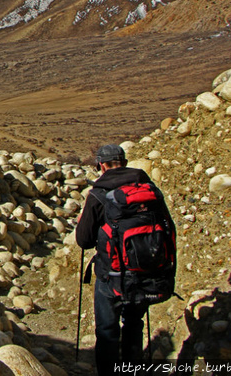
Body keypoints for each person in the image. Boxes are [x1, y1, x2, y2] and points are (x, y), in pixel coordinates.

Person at [75, 144, 153, 375]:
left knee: (108, 331)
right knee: (133, 325)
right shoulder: (148, 188)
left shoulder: (99, 194)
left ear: (101, 165)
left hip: (112, 274)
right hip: (144, 270)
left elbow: (84, 240)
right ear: (125, 163)